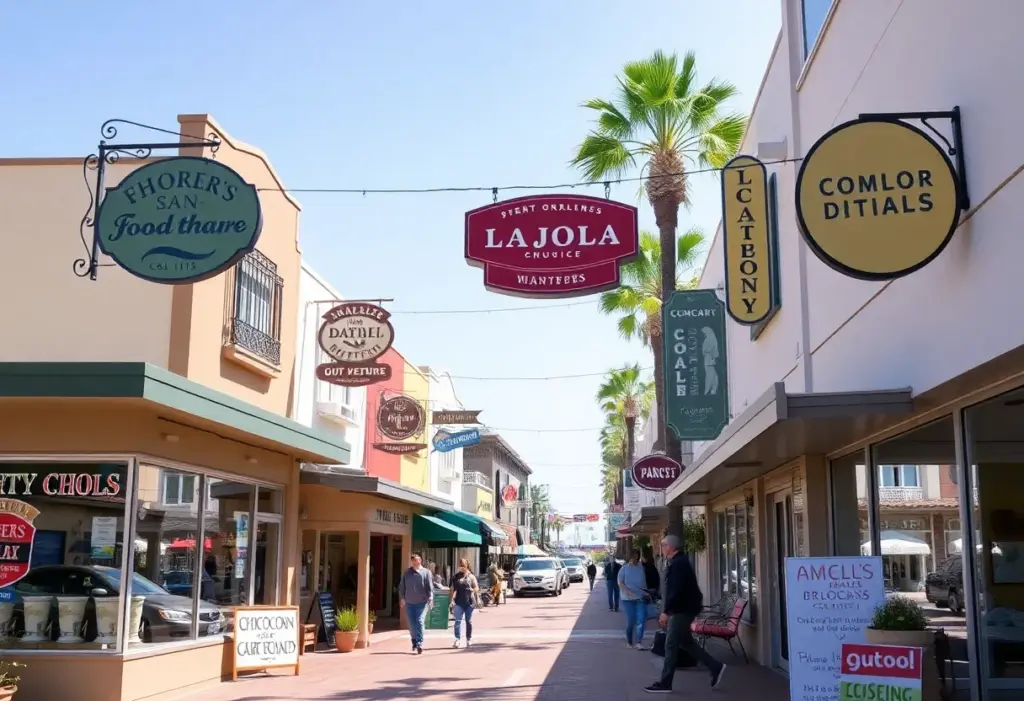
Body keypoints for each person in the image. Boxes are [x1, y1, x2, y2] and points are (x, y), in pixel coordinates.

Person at [645, 535, 726, 694]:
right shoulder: (678, 562)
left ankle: (665, 683)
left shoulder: (679, 564)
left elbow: (677, 591)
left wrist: (666, 612)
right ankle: (715, 666)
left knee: (671, 644)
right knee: (686, 642)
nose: (662, 548)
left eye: (663, 545)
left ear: (671, 547)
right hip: (685, 608)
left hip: (682, 610)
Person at [398, 553, 434, 654]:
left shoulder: (426, 572)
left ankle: (419, 643)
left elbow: (430, 587)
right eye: (413, 560)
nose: (415, 562)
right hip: (410, 603)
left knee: (420, 621)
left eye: (417, 560)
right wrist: (402, 598)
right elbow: (402, 586)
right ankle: (414, 640)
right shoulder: (407, 573)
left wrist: (431, 598)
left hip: (422, 603)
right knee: (412, 624)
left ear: (420, 560)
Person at [617, 549, 649, 650]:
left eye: (637, 556)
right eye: (633, 556)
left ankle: (639, 642)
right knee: (631, 621)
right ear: (630, 557)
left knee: (641, 620)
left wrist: (646, 592)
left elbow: (644, 582)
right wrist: (628, 592)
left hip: (640, 597)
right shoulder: (624, 569)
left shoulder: (641, 568)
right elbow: (620, 583)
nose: (635, 559)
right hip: (628, 599)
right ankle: (629, 641)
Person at [449, 558, 479, 648]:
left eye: (463, 565)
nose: (462, 567)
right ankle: (457, 639)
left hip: (469, 602)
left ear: (467, 566)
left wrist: (473, 590)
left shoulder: (471, 576)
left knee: (468, 621)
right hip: (458, 602)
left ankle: (468, 639)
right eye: (460, 565)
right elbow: (452, 589)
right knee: (457, 621)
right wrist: (451, 601)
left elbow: (476, 587)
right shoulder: (456, 577)